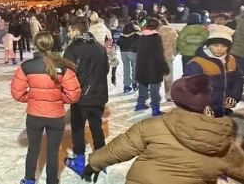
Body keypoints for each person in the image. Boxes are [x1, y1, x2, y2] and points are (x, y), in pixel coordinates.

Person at [82, 75, 244, 184]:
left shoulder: (152, 126)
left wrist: (94, 163)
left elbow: (121, 147)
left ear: (176, 99)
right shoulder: (222, 141)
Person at [11, 31, 81, 184]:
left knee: (33, 149)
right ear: (51, 45)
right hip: (55, 117)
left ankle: (29, 180)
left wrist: (33, 98)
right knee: (53, 152)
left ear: (35, 45)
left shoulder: (27, 66)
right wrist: (58, 99)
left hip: (34, 115)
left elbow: (17, 93)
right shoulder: (63, 67)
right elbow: (74, 95)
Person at [63, 16, 109, 177]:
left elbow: (66, 74)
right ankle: (102, 161)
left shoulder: (72, 49)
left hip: (81, 97)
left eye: (70, 29)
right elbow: (106, 70)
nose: (68, 32)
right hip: (99, 95)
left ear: (76, 30)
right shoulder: (99, 47)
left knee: (77, 128)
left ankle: (79, 161)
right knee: (97, 127)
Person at [184, 24, 243, 117]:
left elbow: (237, 80)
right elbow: (189, 88)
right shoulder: (197, 63)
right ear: (208, 45)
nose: (220, 49)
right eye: (215, 45)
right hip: (205, 113)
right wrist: (200, 106)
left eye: (224, 46)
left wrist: (234, 96)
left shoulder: (231, 60)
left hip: (224, 110)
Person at [135, 18, 169, 116]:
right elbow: (159, 55)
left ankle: (140, 104)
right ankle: (155, 109)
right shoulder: (156, 37)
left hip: (142, 67)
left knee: (143, 86)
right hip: (154, 68)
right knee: (154, 90)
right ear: (157, 26)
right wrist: (164, 66)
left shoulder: (141, 37)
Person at [158, 19, 178, 102]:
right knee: (168, 76)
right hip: (168, 56)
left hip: (157, 56)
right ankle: (169, 95)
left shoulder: (156, 32)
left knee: (156, 76)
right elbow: (176, 45)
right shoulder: (173, 32)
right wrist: (174, 53)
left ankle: (156, 95)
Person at [117, 22, 141, 93]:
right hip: (133, 52)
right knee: (134, 68)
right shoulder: (136, 34)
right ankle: (135, 84)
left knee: (126, 69)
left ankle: (126, 86)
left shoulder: (122, 35)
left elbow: (118, 43)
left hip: (123, 52)